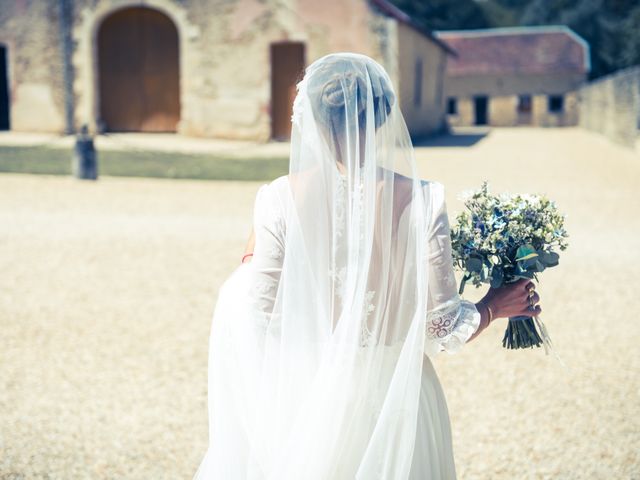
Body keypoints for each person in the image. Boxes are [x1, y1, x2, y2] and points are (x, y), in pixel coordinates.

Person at [193, 52, 541, 480]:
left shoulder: (278, 199)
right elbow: (443, 327)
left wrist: (250, 266)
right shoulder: (423, 199)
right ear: (382, 119)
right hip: (396, 398)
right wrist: (494, 304)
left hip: (306, 396)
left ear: (315, 121)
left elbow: (257, 316)